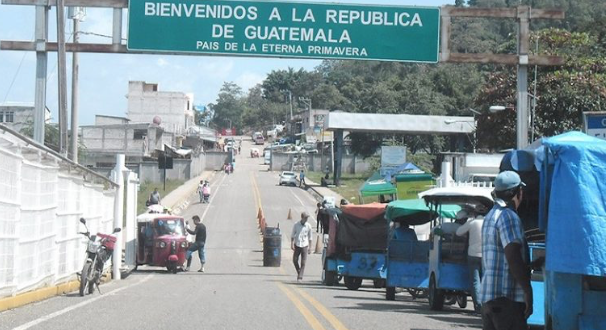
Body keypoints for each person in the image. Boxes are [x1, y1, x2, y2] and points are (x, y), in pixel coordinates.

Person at [480, 171, 540, 330]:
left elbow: (502, 258)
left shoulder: (490, 216)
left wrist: (530, 264)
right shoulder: (509, 216)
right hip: (506, 298)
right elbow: (512, 254)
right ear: (517, 192)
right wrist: (527, 290)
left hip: (489, 297)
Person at [456, 208, 484, 313]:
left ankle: (478, 305)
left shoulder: (472, 223)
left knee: (475, 281)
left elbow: (458, 232)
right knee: (484, 280)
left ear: (475, 214)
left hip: (472, 255)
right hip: (486, 255)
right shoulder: (489, 222)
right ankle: (485, 304)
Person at [291, 211, 313, 281]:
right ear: (302, 218)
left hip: (305, 245)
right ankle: (299, 271)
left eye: (307, 218)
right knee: (295, 260)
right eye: (305, 218)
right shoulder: (296, 225)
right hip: (297, 244)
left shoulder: (308, 226)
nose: (306, 219)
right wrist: (292, 244)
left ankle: (300, 277)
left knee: (303, 262)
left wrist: (310, 247)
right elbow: (292, 235)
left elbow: (310, 237)